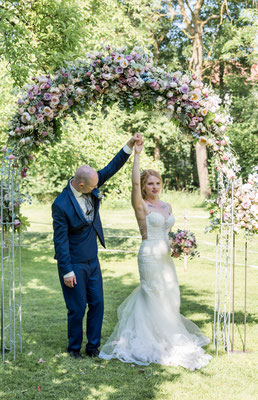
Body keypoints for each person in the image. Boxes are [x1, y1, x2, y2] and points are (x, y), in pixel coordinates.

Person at [99, 140, 212, 371]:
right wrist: (136, 155)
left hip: (165, 259)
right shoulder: (141, 205)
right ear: (143, 186)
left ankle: (168, 335)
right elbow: (133, 181)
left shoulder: (167, 206)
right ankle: (154, 340)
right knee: (153, 296)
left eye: (157, 183)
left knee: (171, 295)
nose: (154, 186)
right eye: (150, 183)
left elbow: (168, 232)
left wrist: (180, 245)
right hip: (149, 256)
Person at [52, 134, 142, 359]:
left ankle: (92, 348)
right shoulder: (60, 205)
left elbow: (111, 168)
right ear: (80, 184)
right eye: (92, 187)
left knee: (98, 304)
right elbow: (60, 241)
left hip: (93, 261)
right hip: (74, 264)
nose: (96, 189)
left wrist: (129, 146)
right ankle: (74, 349)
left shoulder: (90, 183)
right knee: (77, 308)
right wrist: (67, 270)